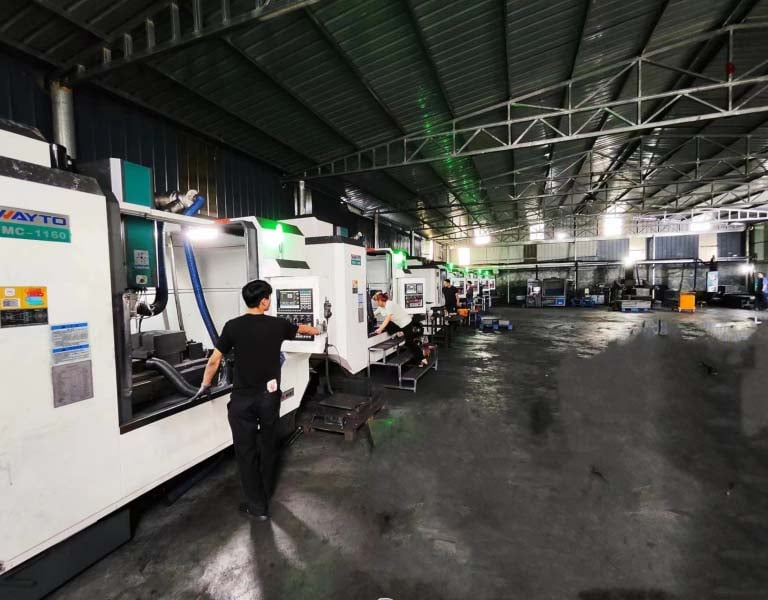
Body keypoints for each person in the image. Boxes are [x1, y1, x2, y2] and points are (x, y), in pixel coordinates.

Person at [195, 280, 320, 521]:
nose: (269, 301)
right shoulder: (278, 325)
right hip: (269, 398)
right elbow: (303, 329)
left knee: (246, 451)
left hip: (242, 401)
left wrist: (205, 385)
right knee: (269, 444)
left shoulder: (233, 326)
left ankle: (257, 506)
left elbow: (214, 360)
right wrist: (318, 330)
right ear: (263, 301)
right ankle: (267, 490)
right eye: (269, 297)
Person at [373, 292, 427, 367]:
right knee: (388, 324)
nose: (376, 303)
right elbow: (373, 314)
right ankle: (399, 332)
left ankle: (422, 358)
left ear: (380, 300)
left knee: (409, 342)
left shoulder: (389, 304)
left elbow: (388, 318)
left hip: (406, 323)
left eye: (376, 301)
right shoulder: (381, 307)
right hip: (399, 324)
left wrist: (380, 328)